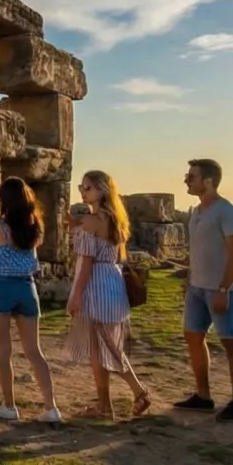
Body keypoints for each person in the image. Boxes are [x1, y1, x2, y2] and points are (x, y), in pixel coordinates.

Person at [0, 177, 61, 423]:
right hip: (26, 288)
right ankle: (51, 408)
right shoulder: (33, 225)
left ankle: (9, 405)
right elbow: (12, 227)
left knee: (3, 350)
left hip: (1, 287)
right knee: (34, 352)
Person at [60, 169, 154, 419]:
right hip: (112, 282)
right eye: (81, 187)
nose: (82, 191)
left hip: (96, 284)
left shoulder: (92, 221)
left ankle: (139, 392)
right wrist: (76, 224)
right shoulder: (113, 218)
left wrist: (75, 295)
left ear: (102, 190)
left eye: (87, 187)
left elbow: (86, 262)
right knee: (101, 348)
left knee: (107, 348)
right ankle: (104, 405)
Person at [175, 158, 233, 421]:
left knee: (231, 343)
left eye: (191, 176)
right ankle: (203, 396)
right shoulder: (196, 211)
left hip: (222, 289)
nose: (187, 180)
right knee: (193, 338)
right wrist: (188, 278)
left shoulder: (228, 212)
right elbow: (196, 249)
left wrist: (223, 289)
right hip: (197, 287)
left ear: (208, 181)